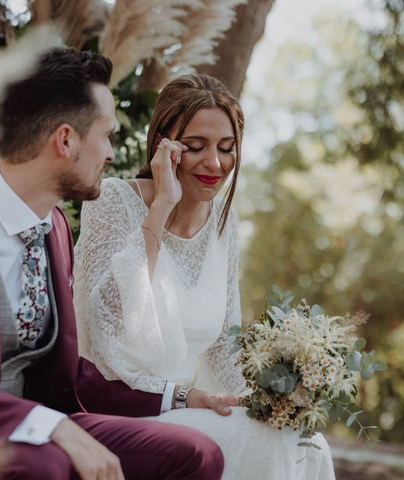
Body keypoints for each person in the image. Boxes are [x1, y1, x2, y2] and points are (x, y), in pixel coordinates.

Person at [0, 48, 224, 480]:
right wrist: (49, 427)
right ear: (66, 140)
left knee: (196, 453)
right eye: (106, 135)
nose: (111, 153)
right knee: (48, 464)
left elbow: (67, 377)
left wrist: (179, 398)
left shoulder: (53, 227)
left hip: (35, 429)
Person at [73, 73, 337, 479]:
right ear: (164, 144)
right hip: (126, 409)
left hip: (192, 407)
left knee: (305, 440)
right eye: (196, 147)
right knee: (267, 442)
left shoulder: (223, 221)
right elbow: (104, 329)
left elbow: (223, 343)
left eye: (227, 148)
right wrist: (161, 206)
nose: (215, 163)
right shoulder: (112, 201)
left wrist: (264, 403)